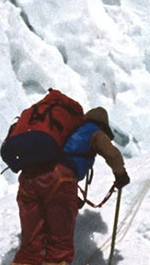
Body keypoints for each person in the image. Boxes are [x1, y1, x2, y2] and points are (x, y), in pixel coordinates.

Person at [12, 107, 129, 265]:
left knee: (30, 246)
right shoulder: (94, 131)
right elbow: (112, 154)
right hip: (60, 180)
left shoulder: (63, 131)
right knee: (59, 247)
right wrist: (120, 174)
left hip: (29, 179)